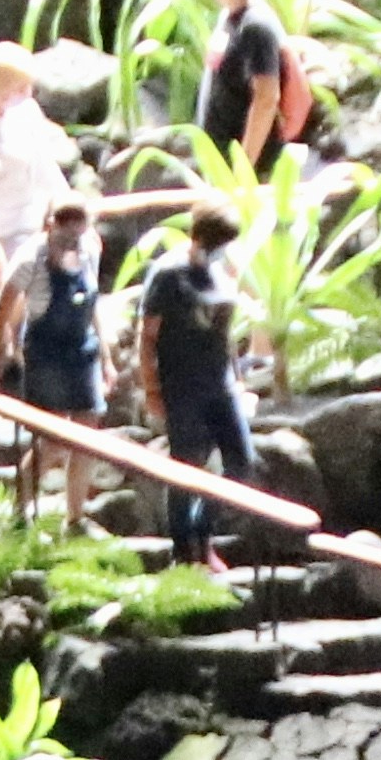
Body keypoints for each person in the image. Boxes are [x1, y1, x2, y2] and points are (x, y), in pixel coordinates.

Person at [130, 196, 258, 562]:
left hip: (220, 385)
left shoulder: (221, 272)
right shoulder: (169, 274)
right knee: (185, 465)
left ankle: (204, 533)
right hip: (181, 385)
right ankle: (184, 550)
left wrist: (238, 379)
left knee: (241, 461)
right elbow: (147, 336)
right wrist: (151, 388)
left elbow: (224, 332)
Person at [0, 193, 110, 529]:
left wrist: (106, 357)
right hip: (46, 353)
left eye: (80, 224)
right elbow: (1, 311)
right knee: (52, 439)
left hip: (82, 351)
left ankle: (75, 518)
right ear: (51, 224)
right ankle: (20, 511)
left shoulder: (89, 251)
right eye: (67, 224)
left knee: (87, 430)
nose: (74, 234)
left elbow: (91, 306)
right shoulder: (30, 260)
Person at [0, 40, 79, 283]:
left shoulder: (27, 112)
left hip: (21, 224)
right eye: (20, 88)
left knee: (19, 293)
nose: (27, 94)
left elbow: (45, 167)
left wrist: (70, 209)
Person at [192, 0, 303, 167]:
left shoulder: (256, 27)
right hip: (220, 160)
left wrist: (243, 168)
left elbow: (266, 98)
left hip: (248, 169)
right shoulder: (230, 17)